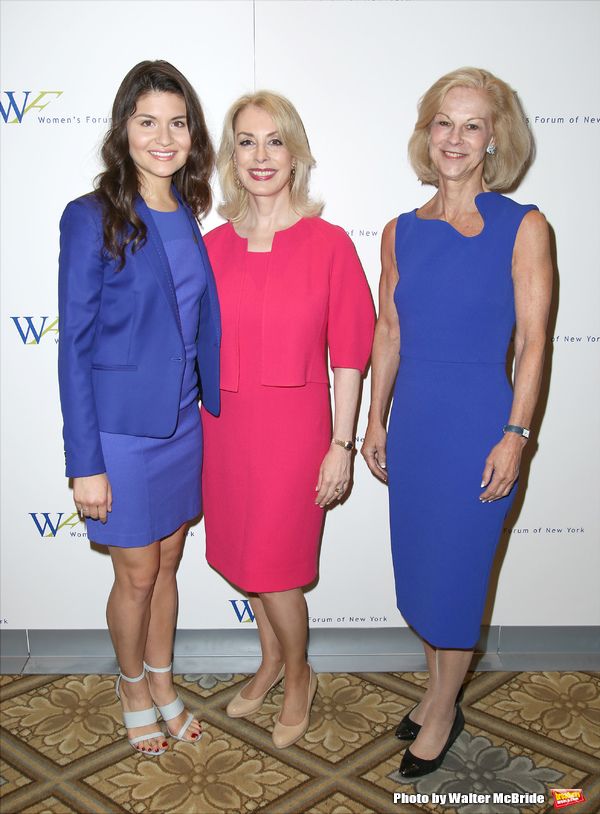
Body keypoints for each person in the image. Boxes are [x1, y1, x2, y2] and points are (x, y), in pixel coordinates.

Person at [362, 67, 552, 777]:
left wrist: (517, 433)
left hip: (480, 425)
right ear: (427, 132)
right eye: (445, 121)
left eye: (473, 125)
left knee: (460, 574)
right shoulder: (399, 232)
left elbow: (534, 341)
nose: (455, 137)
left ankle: (442, 709)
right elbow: (388, 330)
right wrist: (375, 420)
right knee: (422, 571)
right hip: (414, 423)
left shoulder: (524, 227)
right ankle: (436, 686)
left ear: (495, 138)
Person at [201, 92, 375, 748]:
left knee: (275, 568)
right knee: (246, 561)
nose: (261, 155)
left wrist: (342, 444)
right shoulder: (212, 247)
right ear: (231, 157)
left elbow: (352, 354)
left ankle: (299, 674)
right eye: (246, 141)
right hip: (226, 431)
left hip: (298, 436)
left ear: (295, 153)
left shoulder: (329, 246)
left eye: (274, 141)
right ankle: (270, 660)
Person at [57, 60, 220, 755]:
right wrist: (85, 463)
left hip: (184, 423)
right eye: (147, 120)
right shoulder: (90, 216)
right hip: (120, 433)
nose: (163, 136)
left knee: (171, 564)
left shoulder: (188, 213)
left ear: (192, 134)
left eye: (176, 123)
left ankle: (161, 678)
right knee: (137, 572)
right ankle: (129, 685)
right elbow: (73, 349)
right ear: (124, 130)